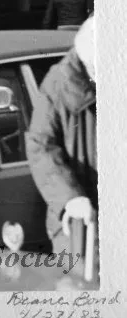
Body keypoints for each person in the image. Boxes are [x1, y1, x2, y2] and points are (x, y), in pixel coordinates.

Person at [26, 15, 96, 259]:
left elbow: (47, 17)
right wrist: (70, 199)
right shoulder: (59, 83)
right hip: (82, 215)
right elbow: (40, 145)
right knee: (80, 287)